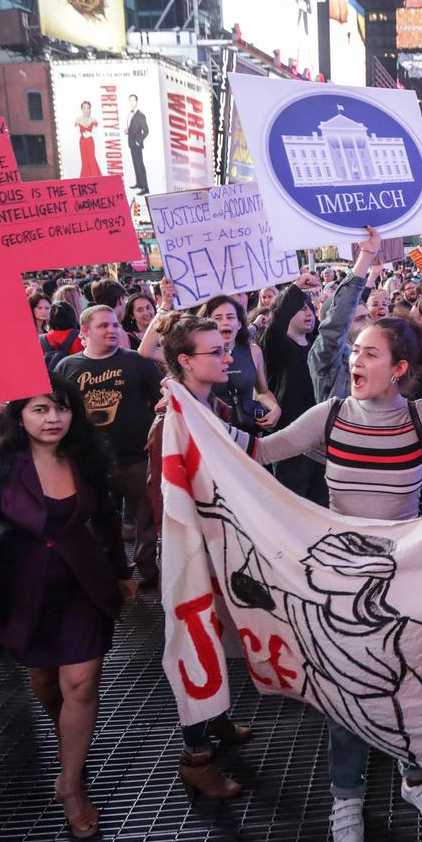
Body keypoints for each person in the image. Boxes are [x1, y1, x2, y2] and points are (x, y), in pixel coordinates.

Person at [226, 258, 422, 842]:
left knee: (407, 678)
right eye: (355, 350)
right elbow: (259, 450)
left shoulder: (419, 416)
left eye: (371, 353)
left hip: (404, 576)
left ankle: (414, 776)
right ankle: (347, 793)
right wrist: (188, 409)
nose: (356, 360)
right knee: (347, 684)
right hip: (337, 576)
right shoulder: (326, 418)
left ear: (400, 369)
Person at [0, 359, 133, 839]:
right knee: (46, 682)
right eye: (40, 409)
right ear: (18, 415)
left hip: (82, 587)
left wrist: (123, 569)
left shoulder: (85, 457)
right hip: (19, 591)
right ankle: (71, 739)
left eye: (61, 409)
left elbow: (106, 515)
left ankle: (70, 783)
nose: (53, 418)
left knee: (82, 683)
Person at [144, 314, 261, 802]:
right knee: (195, 644)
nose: (227, 356)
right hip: (189, 549)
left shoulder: (209, 407)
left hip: (217, 543)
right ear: (187, 361)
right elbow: (162, 497)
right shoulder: (171, 421)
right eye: (215, 351)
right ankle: (195, 757)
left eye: (226, 347)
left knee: (217, 636)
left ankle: (217, 719)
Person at [54, 305, 165, 590]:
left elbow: (160, 402)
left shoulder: (137, 362)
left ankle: (150, 571)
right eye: (103, 326)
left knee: (147, 517)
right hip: (89, 460)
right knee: (98, 519)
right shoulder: (67, 367)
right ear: (84, 333)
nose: (111, 330)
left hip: (137, 456)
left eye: (115, 325)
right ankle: (110, 571)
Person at [258, 277, 325, 503]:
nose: (308, 313)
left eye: (310, 308)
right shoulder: (277, 345)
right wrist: (295, 287)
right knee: (292, 504)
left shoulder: (319, 345)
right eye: (300, 308)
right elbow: (276, 325)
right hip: (291, 441)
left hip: (322, 441)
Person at [199, 295, 281, 433]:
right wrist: (165, 306)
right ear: (207, 324)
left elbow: (262, 392)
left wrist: (275, 409)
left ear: (239, 323)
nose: (225, 323)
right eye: (218, 318)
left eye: (230, 317)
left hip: (247, 434)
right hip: (212, 434)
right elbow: (149, 351)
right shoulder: (197, 355)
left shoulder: (254, 352)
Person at [125, 93, 149, 195]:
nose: (132, 102)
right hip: (131, 144)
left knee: (140, 165)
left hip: (137, 144)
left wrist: (138, 141)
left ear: (137, 101)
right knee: (136, 164)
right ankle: (139, 184)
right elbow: (134, 128)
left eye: (133, 100)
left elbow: (146, 131)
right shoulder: (131, 113)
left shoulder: (141, 115)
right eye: (130, 100)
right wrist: (128, 130)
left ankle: (145, 188)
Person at [75, 101, 101, 177]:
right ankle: (86, 179)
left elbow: (94, 131)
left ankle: (95, 177)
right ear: (81, 109)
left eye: (88, 108)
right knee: (84, 160)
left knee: (91, 159)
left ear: (90, 109)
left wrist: (88, 134)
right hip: (82, 142)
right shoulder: (78, 119)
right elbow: (77, 131)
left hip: (90, 141)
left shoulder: (93, 119)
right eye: (84, 108)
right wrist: (82, 132)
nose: (86, 110)